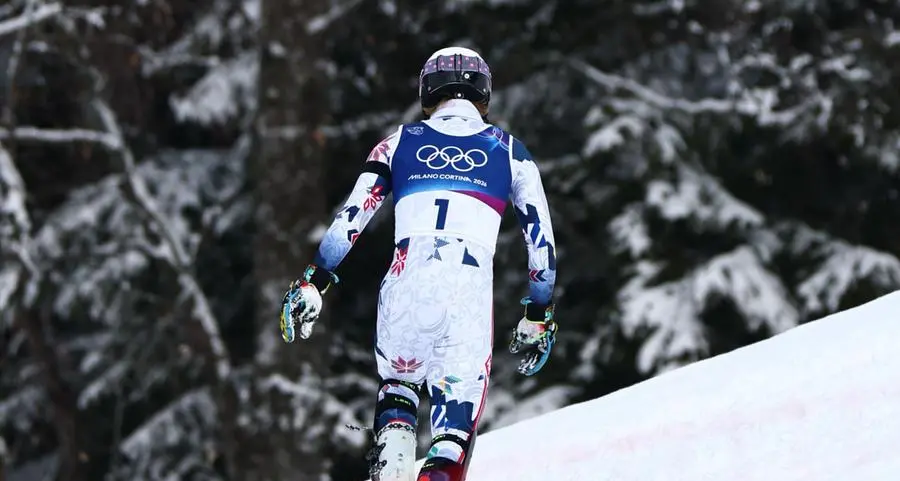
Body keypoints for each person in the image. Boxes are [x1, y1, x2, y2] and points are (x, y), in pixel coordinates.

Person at [279, 46, 559, 481]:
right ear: (484, 94)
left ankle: (390, 466)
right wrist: (538, 315)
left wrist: (314, 280)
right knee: (451, 444)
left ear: (428, 91)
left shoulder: (396, 143)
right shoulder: (511, 153)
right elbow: (542, 244)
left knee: (398, 392)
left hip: (404, 289)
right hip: (466, 299)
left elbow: (349, 220)